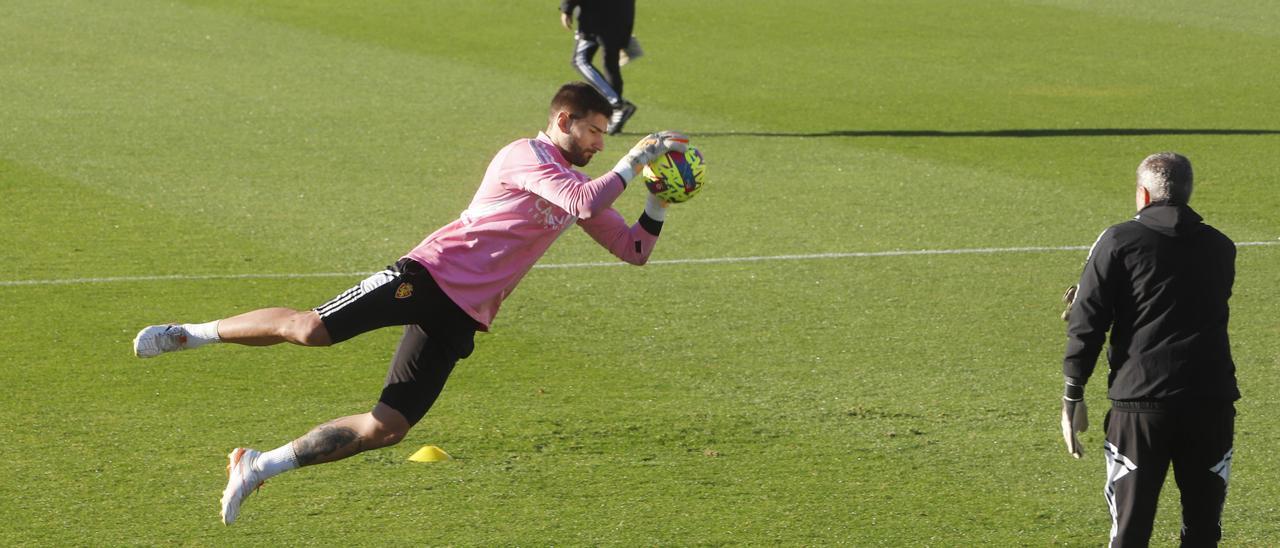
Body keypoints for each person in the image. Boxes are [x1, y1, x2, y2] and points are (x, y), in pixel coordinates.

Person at [131, 82, 688, 525]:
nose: (599, 145)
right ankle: (192, 332)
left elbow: (632, 248)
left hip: (464, 314)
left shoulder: (575, 183)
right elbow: (585, 197)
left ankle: (258, 466)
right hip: (427, 275)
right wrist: (635, 160)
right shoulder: (527, 156)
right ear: (563, 120)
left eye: (606, 138)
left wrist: (656, 202)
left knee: (388, 427)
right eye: (594, 131)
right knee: (309, 329)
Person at [1059, 152, 1239, 546]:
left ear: (1142, 194)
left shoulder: (1118, 240)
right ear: (1188, 192)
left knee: (1130, 530)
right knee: (1203, 531)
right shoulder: (1222, 247)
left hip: (1139, 407)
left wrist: (1073, 395)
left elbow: (1087, 323)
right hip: (1210, 404)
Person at [560, 0, 637, 135]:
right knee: (611, 65)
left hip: (595, 17)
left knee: (579, 60)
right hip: (622, 14)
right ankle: (615, 116)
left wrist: (567, 9)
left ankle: (616, 103)